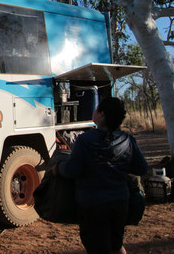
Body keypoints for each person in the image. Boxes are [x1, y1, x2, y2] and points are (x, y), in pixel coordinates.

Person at [53, 97, 148, 254]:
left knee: (97, 247)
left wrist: (58, 167)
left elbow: (72, 170)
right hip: (120, 202)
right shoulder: (128, 139)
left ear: (102, 115)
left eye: (96, 109)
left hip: (92, 205)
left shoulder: (84, 140)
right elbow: (142, 168)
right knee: (116, 245)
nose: (94, 112)